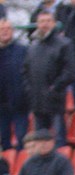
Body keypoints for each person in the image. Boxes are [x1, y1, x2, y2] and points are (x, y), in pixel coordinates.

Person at [23, 10, 75, 147]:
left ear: (53, 23)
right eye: (41, 21)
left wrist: (55, 88)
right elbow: (25, 72)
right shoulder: (33, 47)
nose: (44, 24)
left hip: (55, 101)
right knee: (39, 142)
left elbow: (70, 72)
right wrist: (30, 90)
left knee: (58, 140)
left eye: (48, 21)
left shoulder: (64, 44)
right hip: (37, 101)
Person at [0, 19, 29, 151]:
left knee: (21, 136)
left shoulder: (22, 50)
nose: (4, 32)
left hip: (20, 102)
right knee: (4, 138)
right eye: (1, 29)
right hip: (1, 105)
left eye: (7, 29)